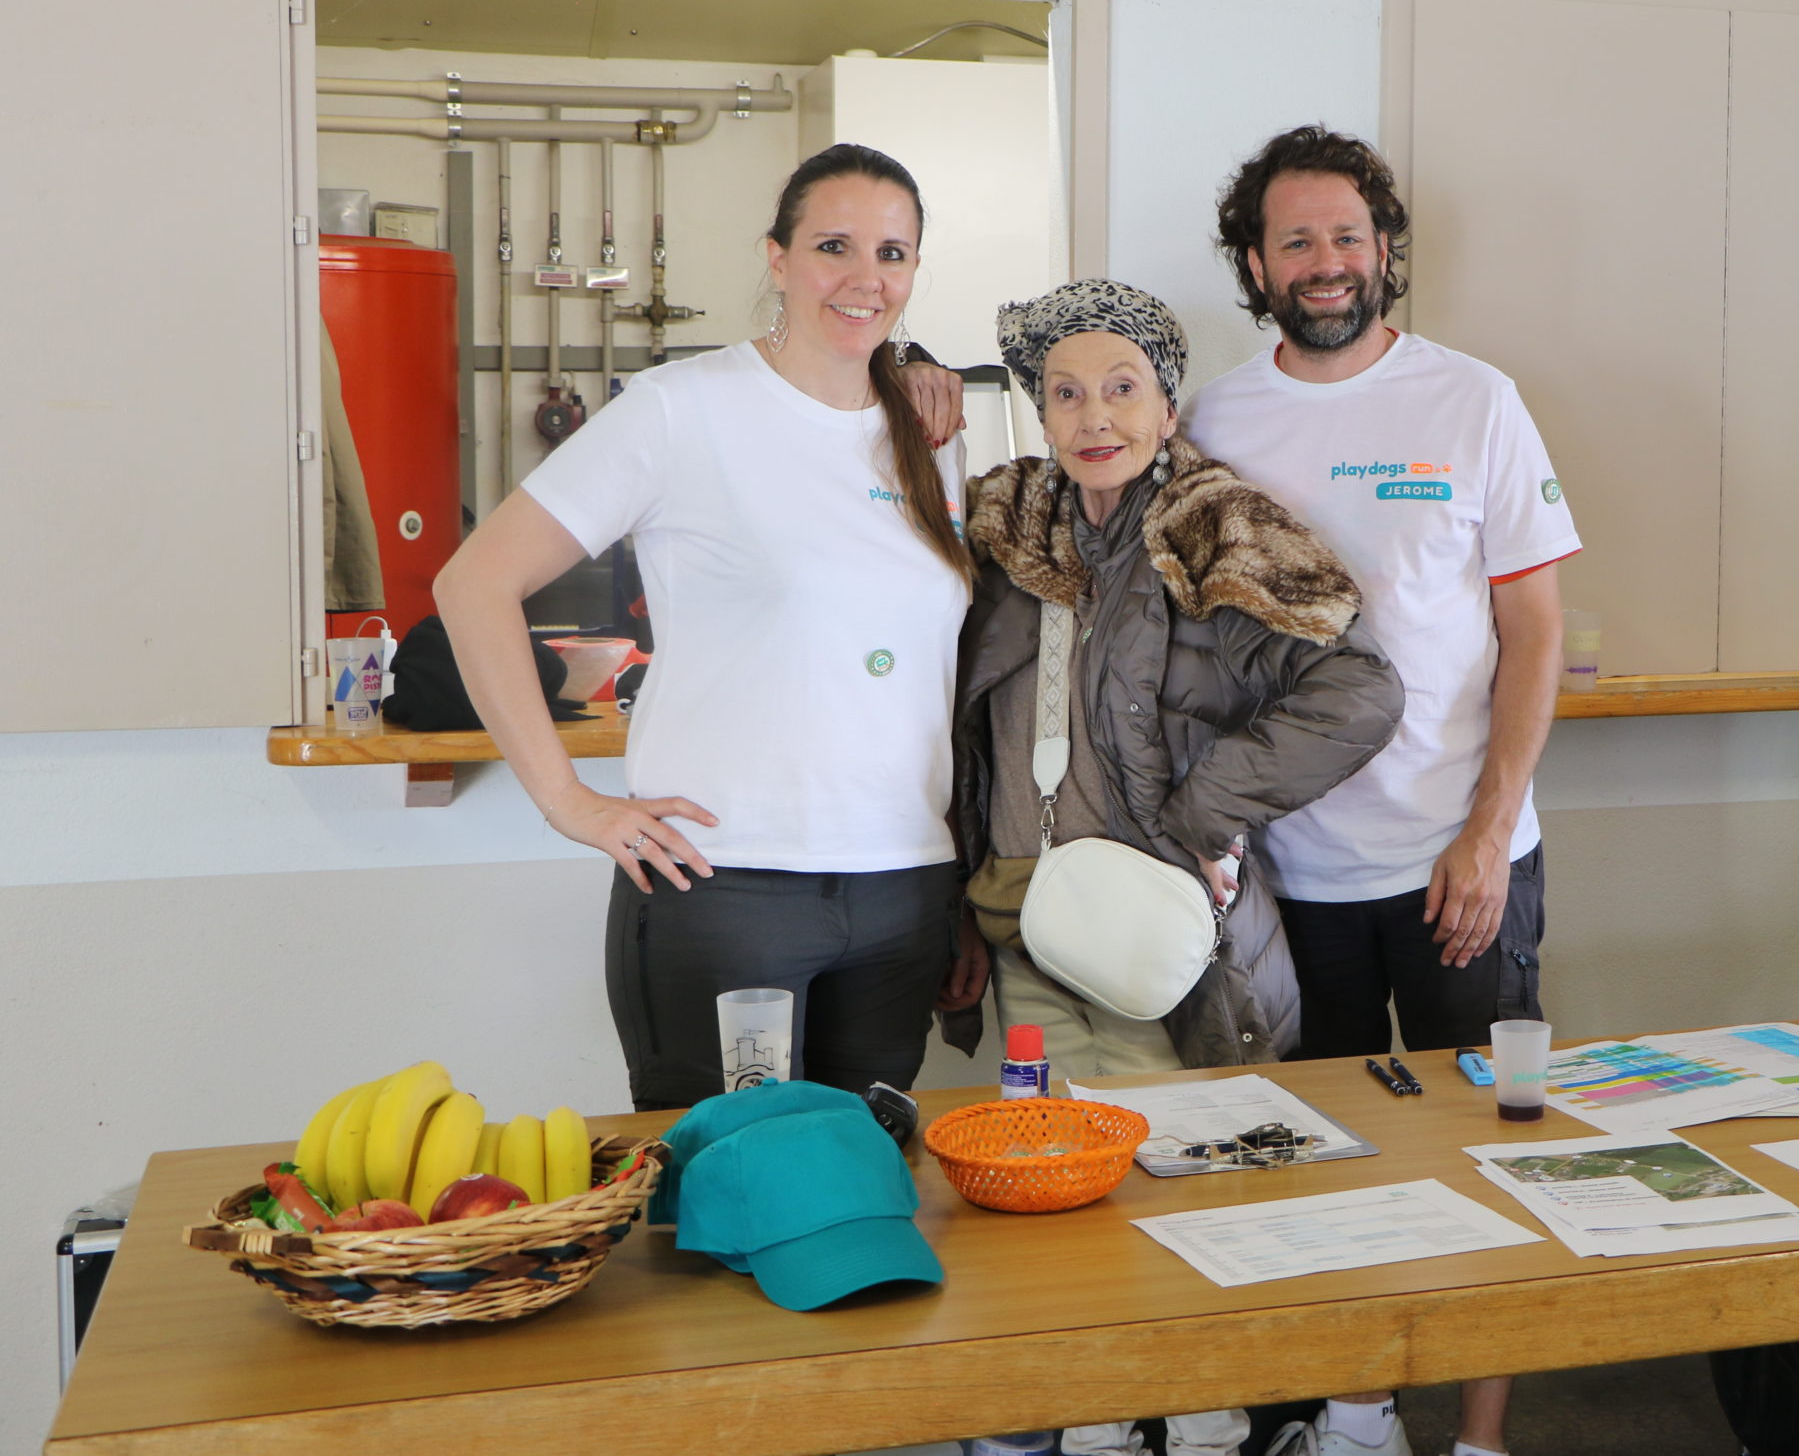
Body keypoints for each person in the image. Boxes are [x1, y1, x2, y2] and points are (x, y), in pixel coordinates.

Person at [433, 142, 987, 1111]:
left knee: (859, 1177)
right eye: (834, 246)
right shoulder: (680, 409)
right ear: (777, 257)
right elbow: (474, 581)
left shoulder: (928, 437)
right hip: (727, 886)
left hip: (902, 889)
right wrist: (567, 800)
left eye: (892, 253)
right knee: (724, 1181)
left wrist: (959, 891)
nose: (866, 278)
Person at [951, 277, 1404, 1456]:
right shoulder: (1002, 535)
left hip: (1148, 929)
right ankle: (1105, 1419)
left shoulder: (1218, 529)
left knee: (1176, 1182)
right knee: (1057, 1185)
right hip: (1017, 920)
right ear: (1037, 410)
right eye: (1064, 393)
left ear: (1165, 402)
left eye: (1121, 387)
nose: (1094, 415)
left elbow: (1358, 692)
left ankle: (1199, 1423)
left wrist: (1204, 811)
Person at [1187, 126, 1579, 1456]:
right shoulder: (1213, 420)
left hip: (1461, 861)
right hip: (1294, 880)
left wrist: (1487, 833)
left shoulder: (1475, 399)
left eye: (1347, 235)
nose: (1327, 261)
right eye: (1296, 239)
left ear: (1383, 248)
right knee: (1327, 1154)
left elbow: (1533, 631)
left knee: (1488, 1145)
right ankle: (1359, 1415)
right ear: (1256, 263)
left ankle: (1480, 1437)